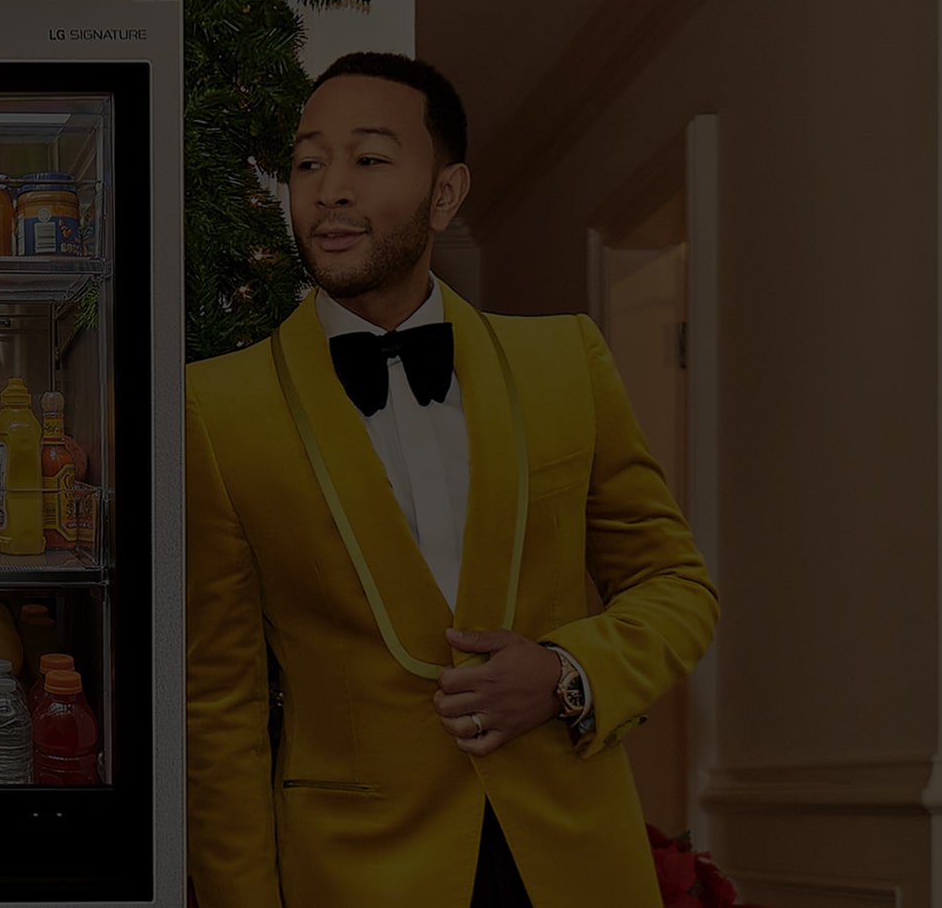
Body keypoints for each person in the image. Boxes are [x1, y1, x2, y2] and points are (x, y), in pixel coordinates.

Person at [184, 51, 719, 907]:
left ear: (445, 192)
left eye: (368, 158)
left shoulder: (565, 362)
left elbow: (677, 584)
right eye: (308, 162)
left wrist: (564, 670)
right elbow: (219, 709)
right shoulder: (214, 406)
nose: (328, 189)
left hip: (574, 859)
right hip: (358, 873)